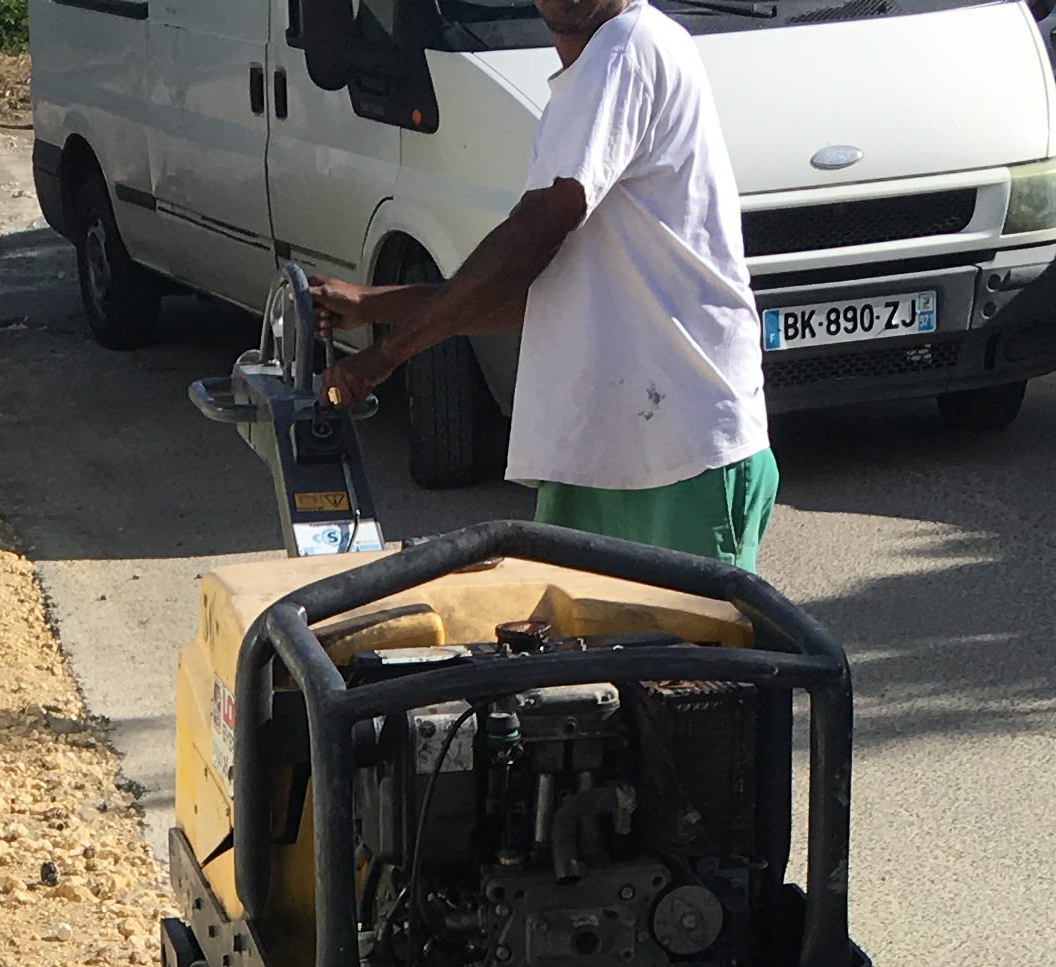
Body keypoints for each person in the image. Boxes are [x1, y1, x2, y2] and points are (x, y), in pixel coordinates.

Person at [316, 0, 775, 568]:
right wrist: (375, 306)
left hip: (681, 453)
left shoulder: (626, 47)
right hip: (606, 453)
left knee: (686, 655)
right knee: (575, 653)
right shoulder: (588, 78)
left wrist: (384, 355)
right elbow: (541, 289)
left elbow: (534, 232)